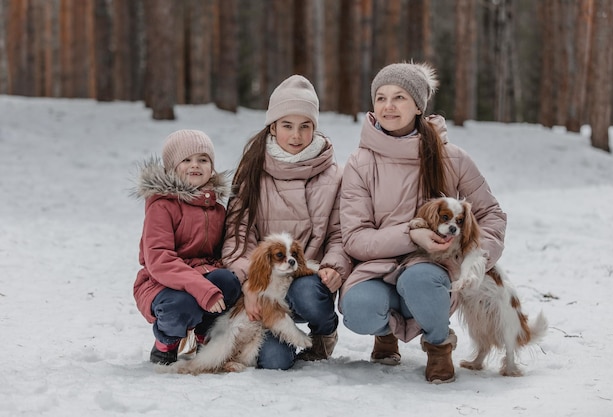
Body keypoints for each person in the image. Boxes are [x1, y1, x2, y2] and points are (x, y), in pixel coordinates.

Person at [339, 62, 507, 383]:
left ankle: (439, 344)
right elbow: (355, 238)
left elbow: (491, 214)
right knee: (358, 309)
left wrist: (473, 259)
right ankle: (386, 331)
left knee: (419, 279)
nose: (388, 106)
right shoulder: (360, 162)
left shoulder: (452, 157)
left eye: (399, 97)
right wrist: (413, 236)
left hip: (434, 269)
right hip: (377, 269)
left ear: (418, 106)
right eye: (381, 98)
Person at [222, 75, 352, 370]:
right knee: (273, 362)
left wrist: (334, 266)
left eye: (305, 126)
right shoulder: (252, 172)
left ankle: (323, 333)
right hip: (266, 284)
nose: (296, 135)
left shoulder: (334, 174)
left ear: (314, 128)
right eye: (287, 126)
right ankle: (281, 337)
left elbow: (339, 234)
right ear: (272, 127)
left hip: (307, 278)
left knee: (306, 293)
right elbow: (237, 234)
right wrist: (249, 283)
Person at [132, 129, 242, 365]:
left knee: (228, 281)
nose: (195, 165)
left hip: (201, 275)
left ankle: (203, 337)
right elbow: (159, 259)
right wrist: (202, 289)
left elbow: (221, 253)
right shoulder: (161, 207)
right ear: (172, 167)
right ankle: (166, 343)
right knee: (182, 305)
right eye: (187, 160)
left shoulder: (216, 209)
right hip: (160, 282)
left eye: (203, 160)